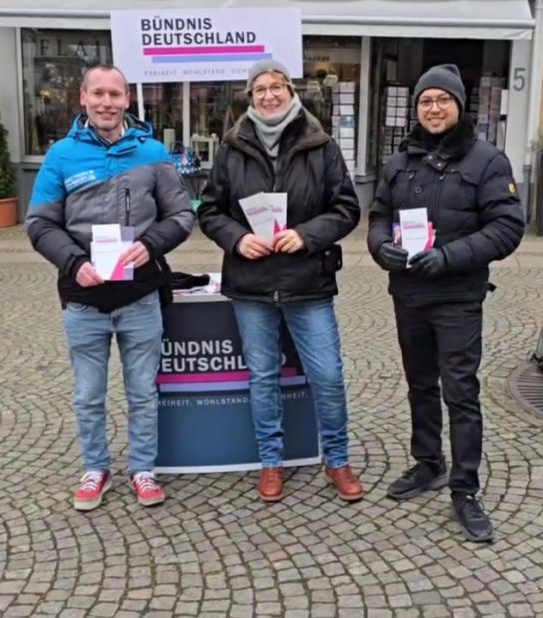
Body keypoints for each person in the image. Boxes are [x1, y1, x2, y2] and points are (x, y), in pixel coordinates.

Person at [366, 64, 525, 542]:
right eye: (425, 101)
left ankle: (465, 489)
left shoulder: (487, 161)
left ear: (458, 104)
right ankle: (428, 462)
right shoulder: (400, 161)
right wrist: (381, 247)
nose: (433, 108)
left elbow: (507, 228)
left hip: (457, 295)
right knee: (419, 385)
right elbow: (378, 217)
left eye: (442, 100)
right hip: (409, 292)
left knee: (460, 392)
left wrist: (449, 256)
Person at [26, 64, 194, 511]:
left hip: (140, 296)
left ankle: (143, 469)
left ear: (127, 100)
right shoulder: (62, 155)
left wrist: (151, 245)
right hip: (84, 298)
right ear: (83, 97)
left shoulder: (153, 152)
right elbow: (40, 224)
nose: (106, 102)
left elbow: (182, 216)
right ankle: (95, 468)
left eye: (115, 94)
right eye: (98, 93)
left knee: (143, 393)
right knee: (88, 395)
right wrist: (73, 262)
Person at [196, 59, 363, 503]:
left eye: (276, 87)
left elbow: (347, 208)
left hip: (308, 281)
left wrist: (307, 235)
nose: (268, 95)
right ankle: (271, 461)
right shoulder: (232, 147)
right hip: (251, 282)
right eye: (259, 89)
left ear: (291, 91)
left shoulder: (320, 144)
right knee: (263, 376)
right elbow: (209, 210)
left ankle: (338, 459)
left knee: (327, 375)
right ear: (249, 97)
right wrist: (237, 239)